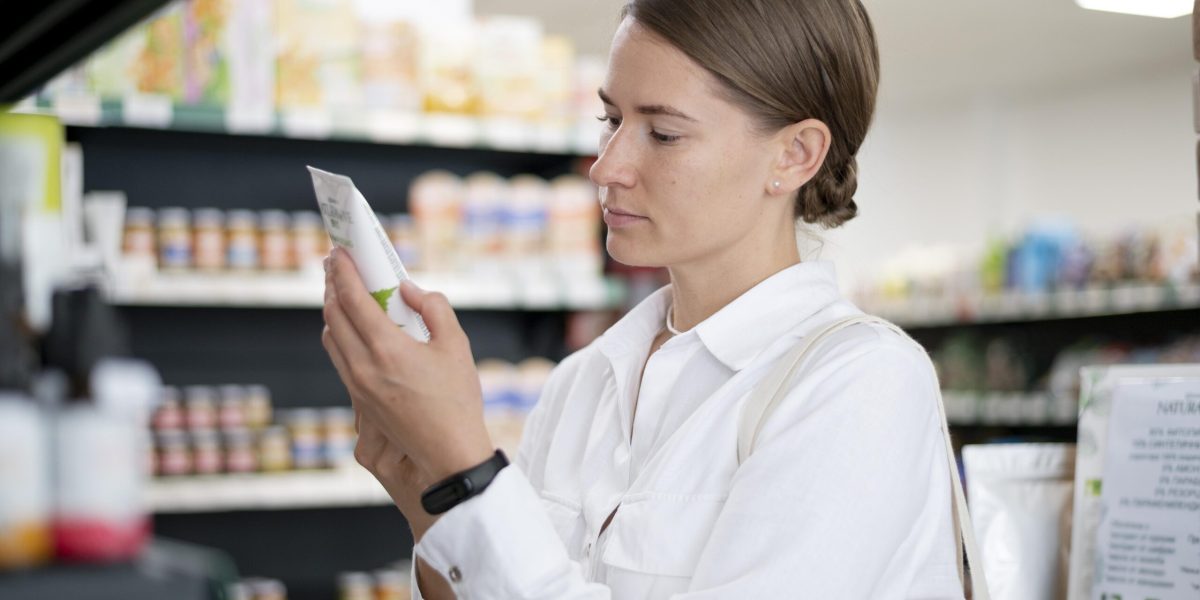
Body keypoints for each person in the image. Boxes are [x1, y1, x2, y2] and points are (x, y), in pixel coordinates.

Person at [320, 0, 967, 597]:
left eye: (662, 134)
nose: (605, 165)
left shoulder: (861, 384)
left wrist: (466, 469)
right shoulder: (582, 383)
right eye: (610, 119)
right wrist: (429, 493)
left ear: (795, 155)